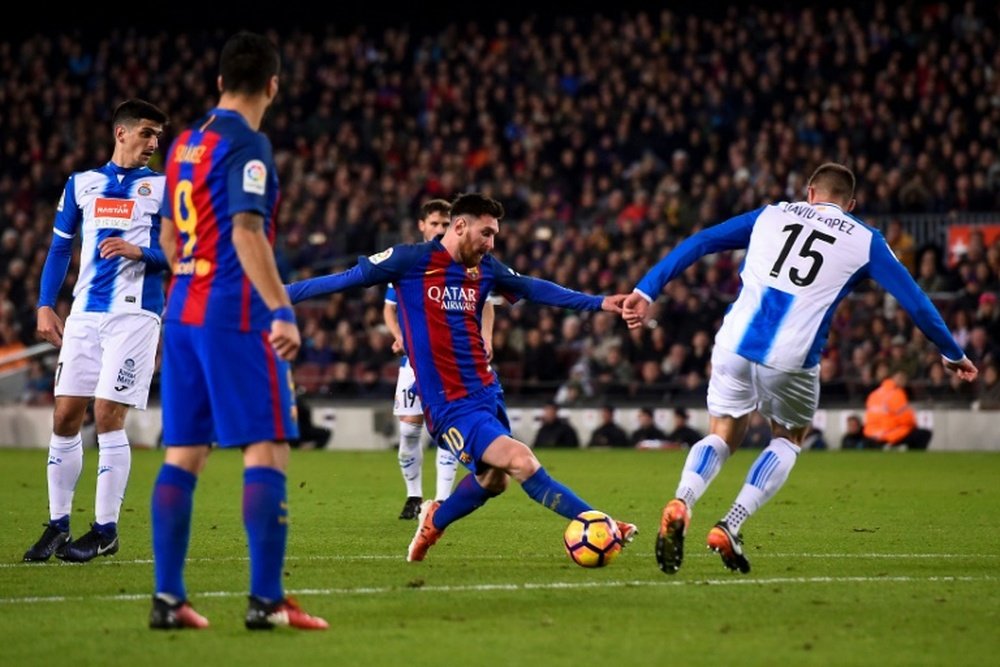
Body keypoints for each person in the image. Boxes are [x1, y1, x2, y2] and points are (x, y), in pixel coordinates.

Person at [623, 162, 978, 575]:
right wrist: (952, 352)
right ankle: (730, 525)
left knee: (722, 433)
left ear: (809, 192)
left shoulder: (770, 214)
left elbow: (701, 241)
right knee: (789, 437)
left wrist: (646, 288)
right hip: (791, 357)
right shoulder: (866, 240)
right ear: (851, 204)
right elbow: (914, 300)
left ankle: (682, 500)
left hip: (734, 343)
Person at [285, 193, 636, 562]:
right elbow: (343, 280)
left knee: (493, 480)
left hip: (486, 392)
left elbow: (535, 288)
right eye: (486, 233)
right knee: (521, 461)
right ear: (460, 226)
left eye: (494, 235)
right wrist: (277, 296)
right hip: (448, 403)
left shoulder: (485, 268)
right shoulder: (410, 260)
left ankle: (435, 518)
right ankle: (601, 522)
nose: (491, 243)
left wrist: (598, 302)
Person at [148, 32, 326, 631]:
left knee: (184, 452)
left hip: (182, 313)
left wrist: (191, 277)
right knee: (267, 446)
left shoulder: (183, 144)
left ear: (221, 81)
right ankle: (266, 601)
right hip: (234, 313)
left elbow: (170, 238)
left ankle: (168, 599)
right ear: (273, 86)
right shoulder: (248, 146)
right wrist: (280, 308)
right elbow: (248, 232)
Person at [23, 99, 169, 564]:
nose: (153, 143)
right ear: (121, 133)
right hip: (85, 314)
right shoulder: (82, 184)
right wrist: (46, 304)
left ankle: (105, 529)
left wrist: (140, 252)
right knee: (65, 416)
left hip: (137, 314)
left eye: (158, 137)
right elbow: (59, 249)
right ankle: (58, 525)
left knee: (107, 413)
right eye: (146, 133)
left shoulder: (165, 189)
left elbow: (186, 255)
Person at [385, 199, 496, 520]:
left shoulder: (469, 261)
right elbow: (389, 306)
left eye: (444, 223)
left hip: (453, 363)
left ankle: (442, 499)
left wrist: (486, 337)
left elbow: (488, 301)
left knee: (449, 432)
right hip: (414, 362)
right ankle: (413, 494)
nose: (439, 228)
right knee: (408, 431)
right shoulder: (409, 262)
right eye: (434, 223)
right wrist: (400, 336)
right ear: (422, 225)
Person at [863, 370, 932, 450]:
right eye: (900, 378)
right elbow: (907, 419)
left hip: (872, 433)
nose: (903, 381)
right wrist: (912, 426)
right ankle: (911, 458)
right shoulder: (897, 393)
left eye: (904, 378)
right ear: (892, 378)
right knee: (924, 434)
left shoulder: (874, 394)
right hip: (889, 433)